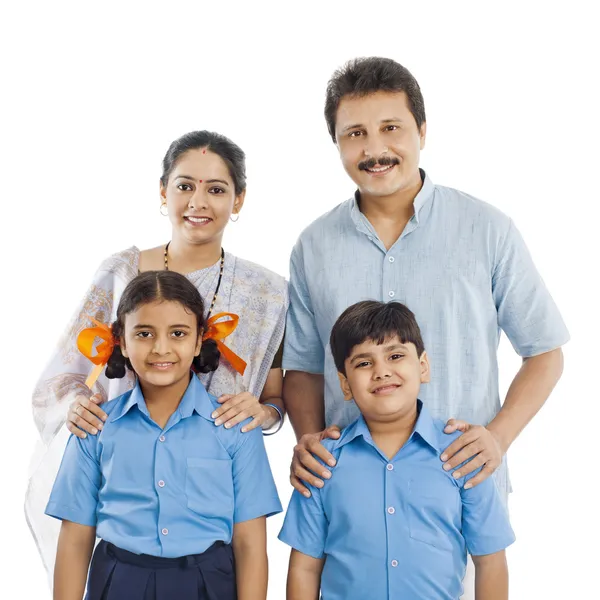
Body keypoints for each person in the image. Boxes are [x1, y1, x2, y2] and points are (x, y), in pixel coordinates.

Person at [282, 57, 568, 597]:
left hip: (458, 484)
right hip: (349, 491)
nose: (374, 149)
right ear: (337, 144)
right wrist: (309, 443)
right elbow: (301, 365)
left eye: (391, 127)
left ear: (422, 131)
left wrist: (497, 439)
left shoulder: (487, 229)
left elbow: (546, 351)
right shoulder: (313, 245)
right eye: (355, 134)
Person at [26, 130, 288, 576]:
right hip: (122, 473)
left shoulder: (268, 293)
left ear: (239, 200)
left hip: (211, 496)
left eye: (216, 189)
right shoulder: (121, 272)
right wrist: (78, 409)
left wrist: (263, 414)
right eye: (185, 186)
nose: (198, 202)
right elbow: (66, 374)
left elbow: (276, 397)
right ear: (163, 192)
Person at [46, 270, 282, 600]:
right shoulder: (95, 427)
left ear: (200, 339)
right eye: (144, 333)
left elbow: (250, 544)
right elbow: (75, 538)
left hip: (209, 585)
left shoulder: (236, 429)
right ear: (122, 342)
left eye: (178, 333)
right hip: (117, 584)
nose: (161, 348)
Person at [279, 300, 514, 600]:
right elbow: (305, 569)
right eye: (364, 363)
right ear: (345, 384)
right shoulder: (322, 462)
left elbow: (491, 561)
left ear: (423, 366)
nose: (381, 372)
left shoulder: (462, 454)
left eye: (395, 355)